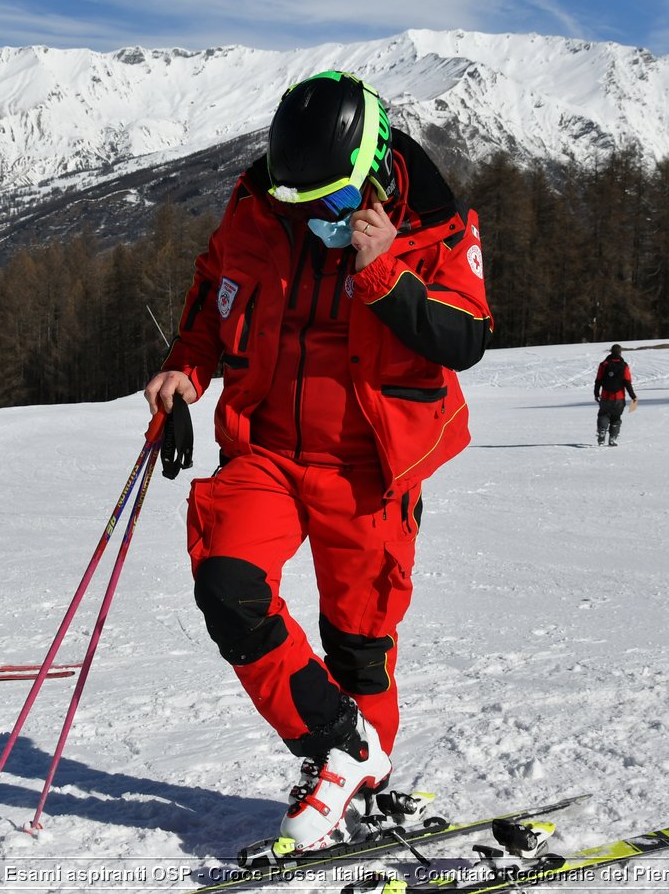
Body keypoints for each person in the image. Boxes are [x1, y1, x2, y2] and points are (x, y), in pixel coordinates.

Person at [143, 71, 492, 853]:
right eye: (298, 202)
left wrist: (382, 271)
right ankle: (336, 745)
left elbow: (466, 335)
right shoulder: (260, 205)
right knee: (229, 587)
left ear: (372, 165)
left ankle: (366, 779)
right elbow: (214, 289)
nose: (312, 219)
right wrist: (186, 367)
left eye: (331, 203)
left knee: (359, 643)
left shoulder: (436, 223)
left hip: (367, 465)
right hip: (265, 447)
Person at [593, 344, 638, 446]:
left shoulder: (604, 365)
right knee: (616, 418)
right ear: (620, 352)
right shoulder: (624, 365)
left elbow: (598, 380)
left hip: (605, 396)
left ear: (611, 352)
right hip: (619, 398)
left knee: (603, 414)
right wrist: (633, 396)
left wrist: (596, 393)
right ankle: (612, 438)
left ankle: (602, 430)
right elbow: (627, 382)